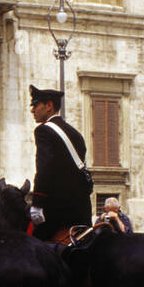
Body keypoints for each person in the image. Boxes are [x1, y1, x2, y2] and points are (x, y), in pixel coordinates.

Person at [27, 84, 93, 242]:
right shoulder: (75, 133)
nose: (32, 110)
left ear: (49, 106)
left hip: (56, 210)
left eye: (35, 105)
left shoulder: (43, 131)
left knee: (32, 248)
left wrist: (37, 203)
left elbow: (44, 168)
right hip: (81, 208)